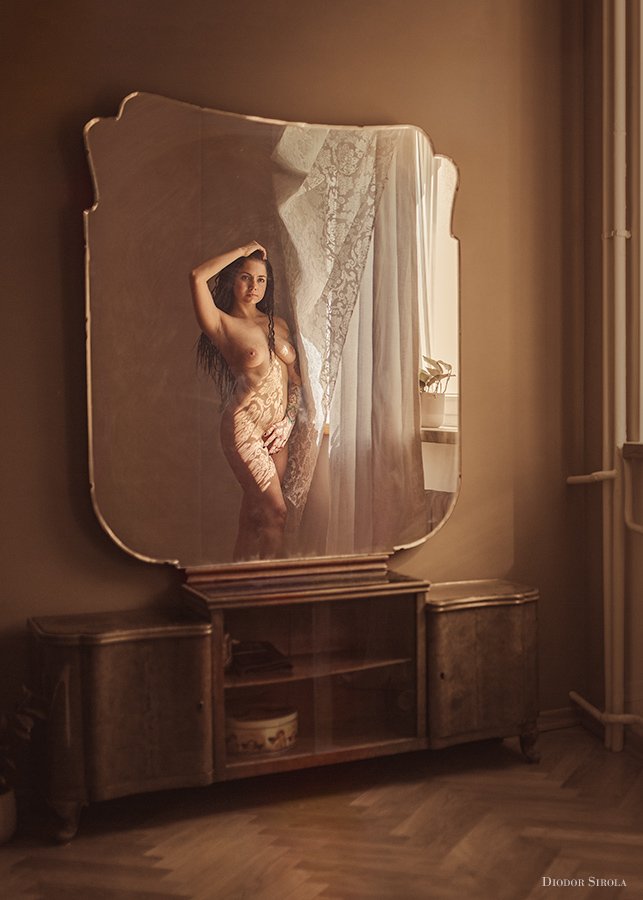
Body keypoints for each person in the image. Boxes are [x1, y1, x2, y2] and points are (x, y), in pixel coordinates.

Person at [190, 241, 301, 561]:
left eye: (261, 279)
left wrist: (289, 421)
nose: (254, 286)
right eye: (245, 277)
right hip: (245, 429)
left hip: (277, 433)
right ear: (231, 280)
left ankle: (238, 581)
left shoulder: (278, 323)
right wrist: (243, 250)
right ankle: (271, 587)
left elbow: (295, 381)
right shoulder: (222, 324)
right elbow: (197, 277)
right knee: (276, 514)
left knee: (254, 516)